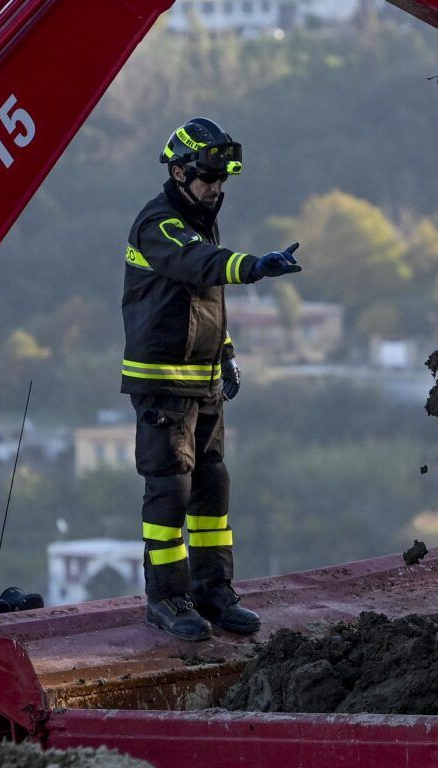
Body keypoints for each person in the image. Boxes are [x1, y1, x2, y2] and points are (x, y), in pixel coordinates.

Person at [120, 117, 302, 641]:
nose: (216, 188)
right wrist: (255, 266)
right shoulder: (159, 223)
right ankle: (167, 597)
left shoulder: (200, 218)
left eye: (221, 179)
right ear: (178, 172)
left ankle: (213, 591)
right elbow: (202, 266)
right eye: (208, 178)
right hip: (162, 384)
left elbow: (205, 302)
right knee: (169, 491)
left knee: (211, 487)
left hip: (203, 383)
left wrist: (226, 354)